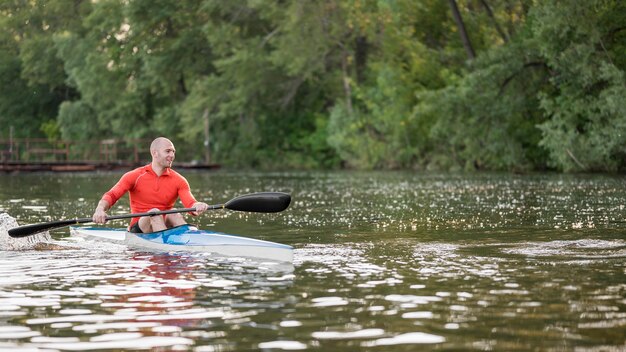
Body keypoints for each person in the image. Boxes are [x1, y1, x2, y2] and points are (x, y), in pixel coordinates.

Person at [92, 137, 209, 233]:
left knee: (174, 213)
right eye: (168, 151)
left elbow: (190, 204)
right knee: (155, 212)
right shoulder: (135, 176)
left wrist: (197, 206)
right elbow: (112, 195)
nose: (172, 155)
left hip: (163, 225)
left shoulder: (179, 180)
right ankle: (167, 249)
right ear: (155, 153)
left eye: (173, 151)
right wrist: (100, 210)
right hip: (139, 228)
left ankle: (191, 239)